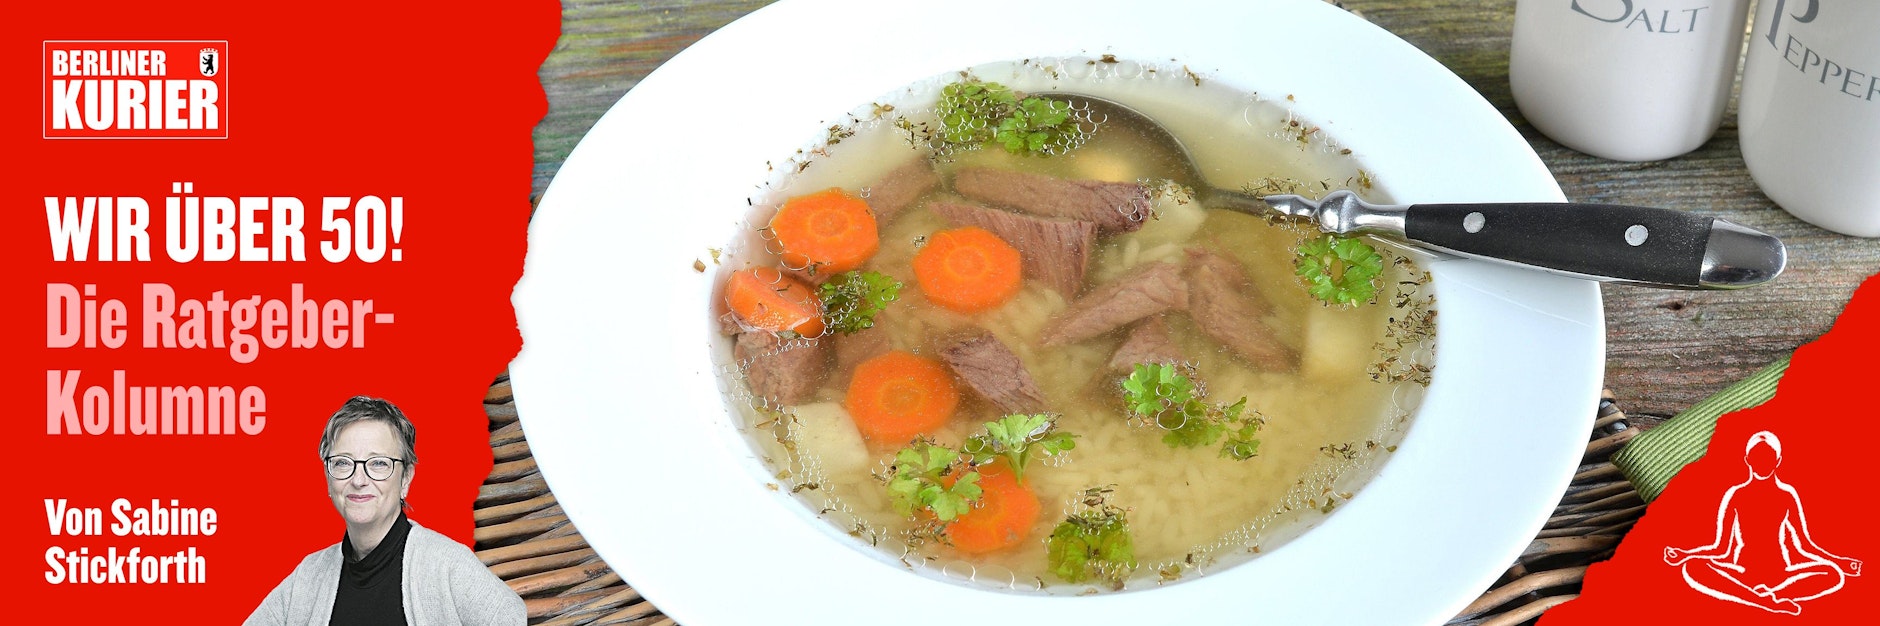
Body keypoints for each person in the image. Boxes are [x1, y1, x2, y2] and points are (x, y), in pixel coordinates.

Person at [246, 397, 525, 625]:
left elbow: (509, 615)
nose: (358, 479)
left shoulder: (447, 565)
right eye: (343, 463)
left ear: (405, 478)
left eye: (378, 463)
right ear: (328, 477)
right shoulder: (309, 576)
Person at [1664, 430, 1862, 615]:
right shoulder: (1737, 495)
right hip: (1743, 573)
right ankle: (1763, 602)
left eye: (1768, 457)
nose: (1762, 462)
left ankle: (1769, 598)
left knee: (1833, 574)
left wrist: (1840, 563)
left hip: (1780, 574)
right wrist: (1685, 555)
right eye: (1758, 457)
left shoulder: (1787, 496)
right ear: (1748, 459)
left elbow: (1804, 545)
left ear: (1777, 460)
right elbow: (1721, 548)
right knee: (1693, 567)